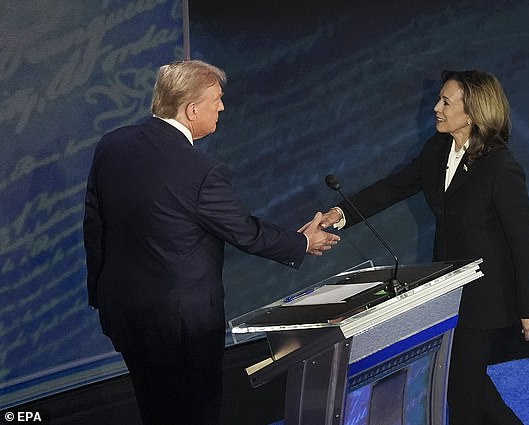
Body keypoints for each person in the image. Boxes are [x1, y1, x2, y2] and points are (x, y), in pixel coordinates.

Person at [83, 60, 340, 425]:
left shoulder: (113, 145)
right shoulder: (200, 171)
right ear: (191, 110)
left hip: (126, 314)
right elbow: (245, 232)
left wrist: (102, 296)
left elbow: (94, 227)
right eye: (217, 99)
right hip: (183, 329)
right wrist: (301, 243)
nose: (222, 107)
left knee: (154, 410)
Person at [317, 70, 529, 424]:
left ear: (471, 114)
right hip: (448, 290)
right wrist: (342, 213)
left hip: (485, 296)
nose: (436, 108)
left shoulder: (500, 166)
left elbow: (524, 240)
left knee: (462, 393)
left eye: (445, 102)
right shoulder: (437, 149)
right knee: (467, 382)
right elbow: (392, 188)